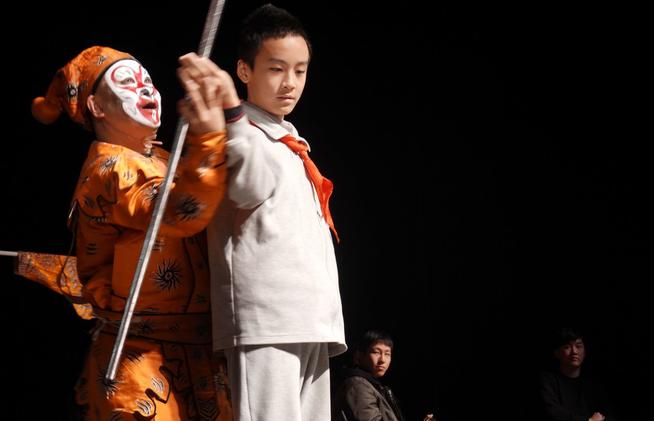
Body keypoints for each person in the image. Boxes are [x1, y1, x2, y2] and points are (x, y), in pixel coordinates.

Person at [17, 45, 233, 419]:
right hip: (140, 363)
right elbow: (182, 211)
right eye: (128, 82)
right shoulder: (108, 169)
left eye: (148, 80)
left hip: (198, 356)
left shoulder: (165, 160)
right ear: (96, 107)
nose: (146, 88)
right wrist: (211, 137)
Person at [177, 4, 346, 421]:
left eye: (300, 71)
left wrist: (328, 318)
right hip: (266, 323)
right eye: (276, 69)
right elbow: (247, 188)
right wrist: (232, 115)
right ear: (244, 70)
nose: (290, 83)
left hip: (311, 321)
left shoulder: (290, 141)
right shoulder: (233, 133)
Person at [332, 330, 434, 421]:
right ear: (359, 355)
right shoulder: (357, 385)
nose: (382, 360)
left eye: (387, 354)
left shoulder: (370, 384)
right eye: (376, 352)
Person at [538, 328, 615, 421]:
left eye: (578, 346)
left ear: (585, 351)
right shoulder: (547, 380)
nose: (574, 352)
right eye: (567, 347)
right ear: (557, 353)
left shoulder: (593, 382)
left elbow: (609, 413)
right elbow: (552, 412)